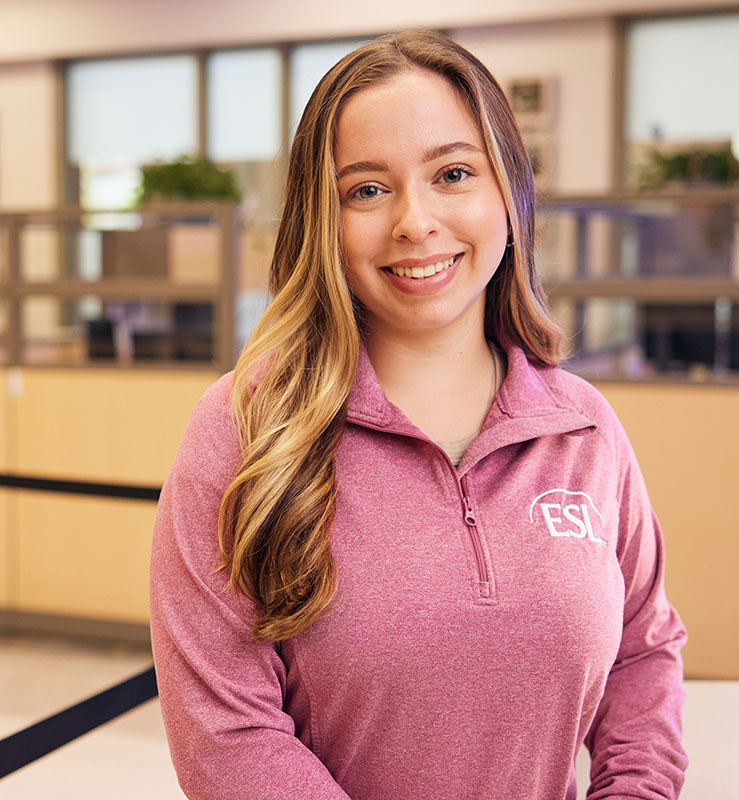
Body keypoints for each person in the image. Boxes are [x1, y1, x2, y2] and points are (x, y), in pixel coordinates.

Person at [150, 30, 687, 800]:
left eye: (454, 173)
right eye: (367, 189)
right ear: (322, 221)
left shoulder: (584, 428)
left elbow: (644, 649)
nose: (415, 221)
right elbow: (226, 734)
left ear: (507, 192)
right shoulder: (244, 428)